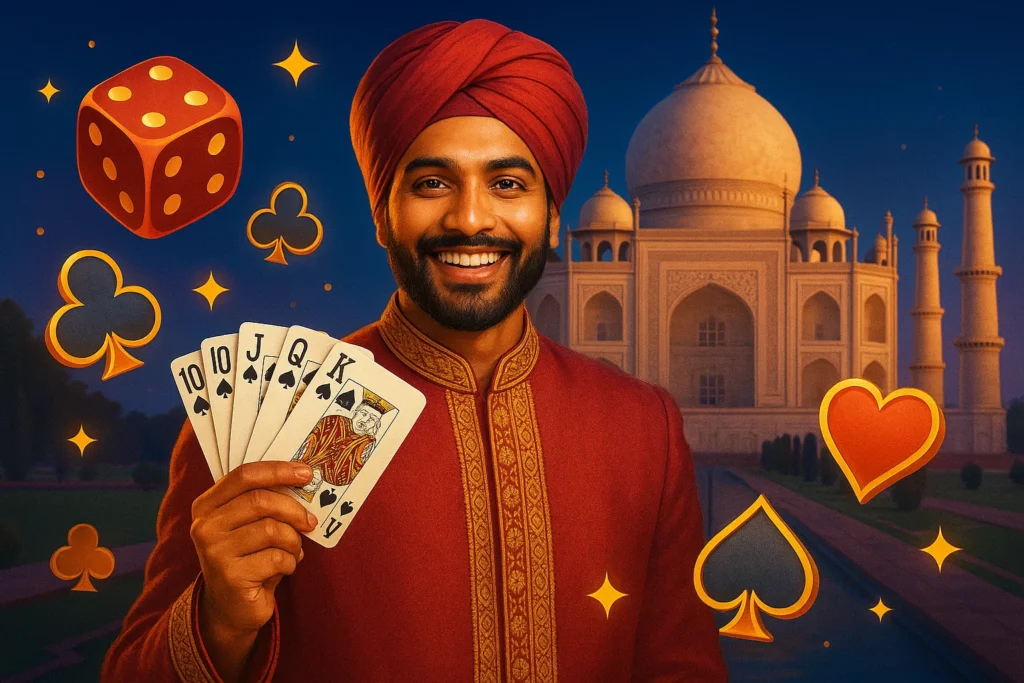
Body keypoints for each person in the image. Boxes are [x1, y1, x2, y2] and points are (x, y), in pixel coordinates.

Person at [102, 18, 728, 682]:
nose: (469, 218)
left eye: (508, 184)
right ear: (381, 212)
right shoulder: (259, 425)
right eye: (432, 183)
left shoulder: (640, 428)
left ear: (552, 217)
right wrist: (218, 622)